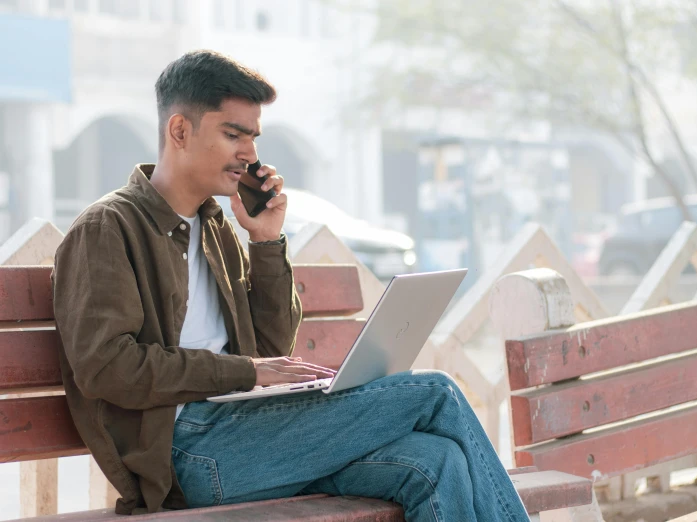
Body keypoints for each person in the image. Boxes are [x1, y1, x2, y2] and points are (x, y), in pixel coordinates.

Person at [52, 50, 530, 522]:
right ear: (179, 131)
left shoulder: (216, 228)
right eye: (233, 134)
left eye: (254, 138)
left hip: (250, 433)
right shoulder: (108, 228)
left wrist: (265, 240)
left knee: (433, 462)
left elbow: (270, 348)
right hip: (188, 453)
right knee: (437, 393)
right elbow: (107, 368)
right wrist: (244, 373)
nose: (250, 154)